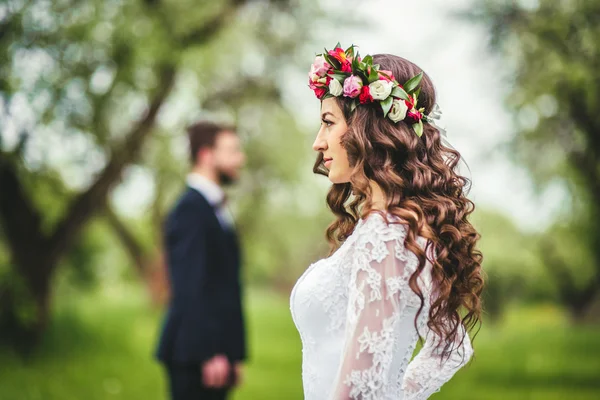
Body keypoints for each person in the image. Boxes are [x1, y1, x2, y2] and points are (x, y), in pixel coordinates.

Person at [290, 44, 484, 399]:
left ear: (369, 128)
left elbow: (362, 389)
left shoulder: (385, 235)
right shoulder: (402, 230)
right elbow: (452, 346)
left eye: (328, 123)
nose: (319, 142)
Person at [156, 121, 247, 400]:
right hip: (195, 355)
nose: (240, 159)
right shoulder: (190, 209)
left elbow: (223, 285)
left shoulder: (214, 206)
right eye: (232, 151)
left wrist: (233, 352)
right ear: (206, 155)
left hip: (218, 353)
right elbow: (188, 286)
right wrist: (208, 352)